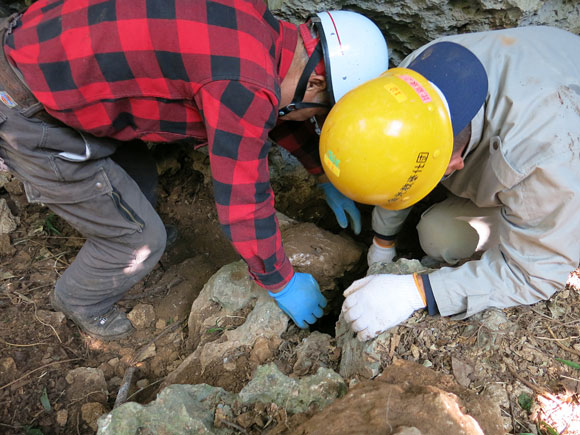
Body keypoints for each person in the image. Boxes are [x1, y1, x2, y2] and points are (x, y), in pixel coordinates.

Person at [0, 0, 389, 340]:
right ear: (317, 81)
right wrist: (280, 280)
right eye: (321, 113)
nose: (315, 121)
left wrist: (320, 171)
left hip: (43, 49)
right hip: (26, 110)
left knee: (141, 178)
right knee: (139, 241)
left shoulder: (255, 20)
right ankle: (81, 299)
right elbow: (243, 201)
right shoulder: (241, 86)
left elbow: (277, 107)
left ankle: (125, 221)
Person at [318, 26, 580, 341]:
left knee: (442, 238)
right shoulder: (416, 76)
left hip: (566, 161)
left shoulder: (541, 156)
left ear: (455, 164)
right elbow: (400, 164)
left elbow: (533, 272)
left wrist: (419, 291)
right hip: (553, 66)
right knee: (438, 232)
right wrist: (382, 242)